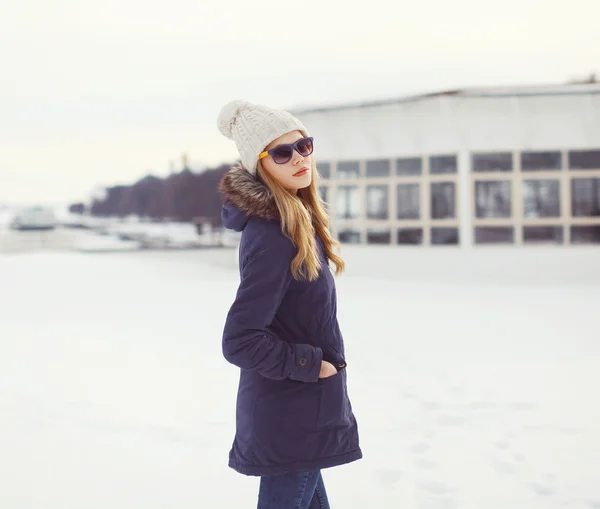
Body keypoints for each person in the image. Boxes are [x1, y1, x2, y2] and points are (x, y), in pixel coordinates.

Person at [217, 99, 362, 509]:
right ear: (261, 165)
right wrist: (313, 365)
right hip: (289, 412)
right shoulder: (273, 234)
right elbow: (240, 339)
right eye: (282, 152)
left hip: (304, 408)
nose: (299, 158)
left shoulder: (296, 219)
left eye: (304, 145)